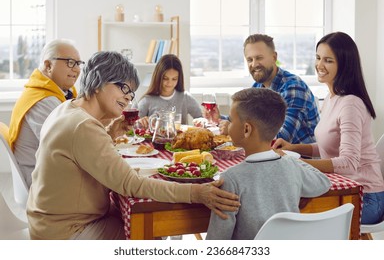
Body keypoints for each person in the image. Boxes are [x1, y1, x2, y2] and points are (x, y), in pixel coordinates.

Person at [26, 51, 240, 240]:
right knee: (152, 230)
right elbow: (133, 185)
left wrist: (110, 134)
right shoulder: (83, 127)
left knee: (144, 221)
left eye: (131, 93)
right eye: (124, 88)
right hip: (67, 232)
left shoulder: (67, 109)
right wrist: (197, 193)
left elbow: (82, 158)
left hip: (48, 222)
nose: (128, 97)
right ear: (100, 80)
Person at [272, 32, 384, 225]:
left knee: (291, 213)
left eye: (328, 60)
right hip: (343, 187)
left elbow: (348, 162)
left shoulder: (350, 104)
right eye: (318, 58)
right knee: (286, 204)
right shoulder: (331, 99)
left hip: (365, 196)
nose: (319, 65)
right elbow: (328, 146)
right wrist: (292, 148)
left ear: (344, 65)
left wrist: (297, 164)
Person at [205, 88, 330, 240]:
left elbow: (216, 241)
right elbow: (323, 182)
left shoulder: (230, 179)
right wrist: (289, 158)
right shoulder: (292, 166)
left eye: (231, 120)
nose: (228, 125)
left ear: (246, 129)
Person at [212, 34, 320, 144]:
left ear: (274, 57)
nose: (254, 64)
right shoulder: (257, 87)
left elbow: (281, 137)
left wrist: (233, 129)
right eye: (250, 59)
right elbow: (242, 120)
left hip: (301, 158)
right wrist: (219, 118)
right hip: (274, 155)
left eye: (259, 58)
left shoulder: (294, 88)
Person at [8, 39, 83, 188]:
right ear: (48, 65)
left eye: (78, 63)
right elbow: (69, 146)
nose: (76, 69)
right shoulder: (43, 100)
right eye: (70, 62)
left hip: (51, 171)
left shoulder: (62, 94)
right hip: (42, 182)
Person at [134, 54, 202, 127]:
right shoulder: (147, 100)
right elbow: (131, 125)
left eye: (174, 79)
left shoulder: (185, 97)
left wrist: (201, 122)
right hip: (155, 138)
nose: (170, 83)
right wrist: (139, 122)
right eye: (165, 78)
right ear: (158, 77)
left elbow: (200, 118)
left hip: (179, 138)